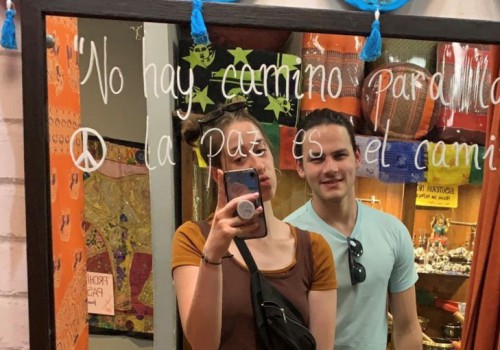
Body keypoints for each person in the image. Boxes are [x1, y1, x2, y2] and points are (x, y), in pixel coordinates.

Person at [171, 102, 338, 350]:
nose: (258, 165)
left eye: (261, 151)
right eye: (239, 158)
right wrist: (214, 255)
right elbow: (202, 344)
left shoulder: (313, 249)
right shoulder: (194, 239)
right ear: (219, 175)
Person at [284, 108, 422, 350]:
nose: (330, 168)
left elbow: (407, 328)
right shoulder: (288, 237)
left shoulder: (393, 232)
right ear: (301, 167)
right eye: (317, 158)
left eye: (339, 155)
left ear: (357, 158)